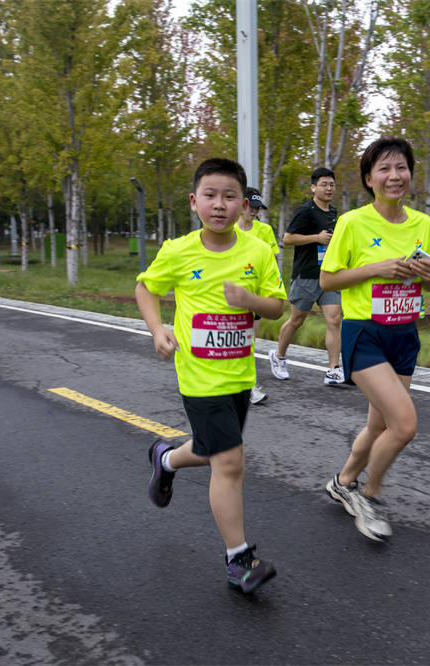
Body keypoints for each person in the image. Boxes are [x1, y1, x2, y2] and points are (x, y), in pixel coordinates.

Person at [136, 157, 285, 593]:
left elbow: (277, 306)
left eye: (229, 196)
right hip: (198, 376)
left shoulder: (257, 250)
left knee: (212, 451)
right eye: (210, 195)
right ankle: (239, 559)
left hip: (239, 373)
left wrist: (249, 299)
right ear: (194, 202)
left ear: (243, 205)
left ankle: (164, 458)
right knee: (230, 461)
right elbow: (146, 288)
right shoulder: (179, 251)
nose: (219, 204)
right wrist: (156, 328)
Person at [319, 137, 430, 541]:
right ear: (369, 179)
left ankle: (343, 481)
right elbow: (328, 279)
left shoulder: (424, 225)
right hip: (365, 333)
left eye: (401, 168)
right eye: (384, 169)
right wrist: (378, 269)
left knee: (378, 426)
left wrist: (429, 277)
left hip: (404, 333)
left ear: (410, 174)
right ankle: (369, 495)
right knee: (404, 425)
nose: (395, 176)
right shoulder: (353, 223)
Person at [268, 167, 344, 386]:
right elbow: (288, 238)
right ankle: (279, 356)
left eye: (332, 184)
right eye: (324, 184)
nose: (329, 188)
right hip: (306, 274)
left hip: (328, 274)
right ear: (313, 187)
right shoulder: (305, 211)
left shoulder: (333, 213)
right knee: (297, 320)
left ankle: (333, 369)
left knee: (334, 319)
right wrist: (316, 238)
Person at [236, 187, 280, 405]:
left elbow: (272, 260)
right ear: (242, 205)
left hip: (255, 296)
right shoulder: (228, 229)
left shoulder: (265, 231)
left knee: (249, 342)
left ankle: (248, 386)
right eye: (251, 207)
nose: (254, 211)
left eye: (257, 208)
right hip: (231, 295)